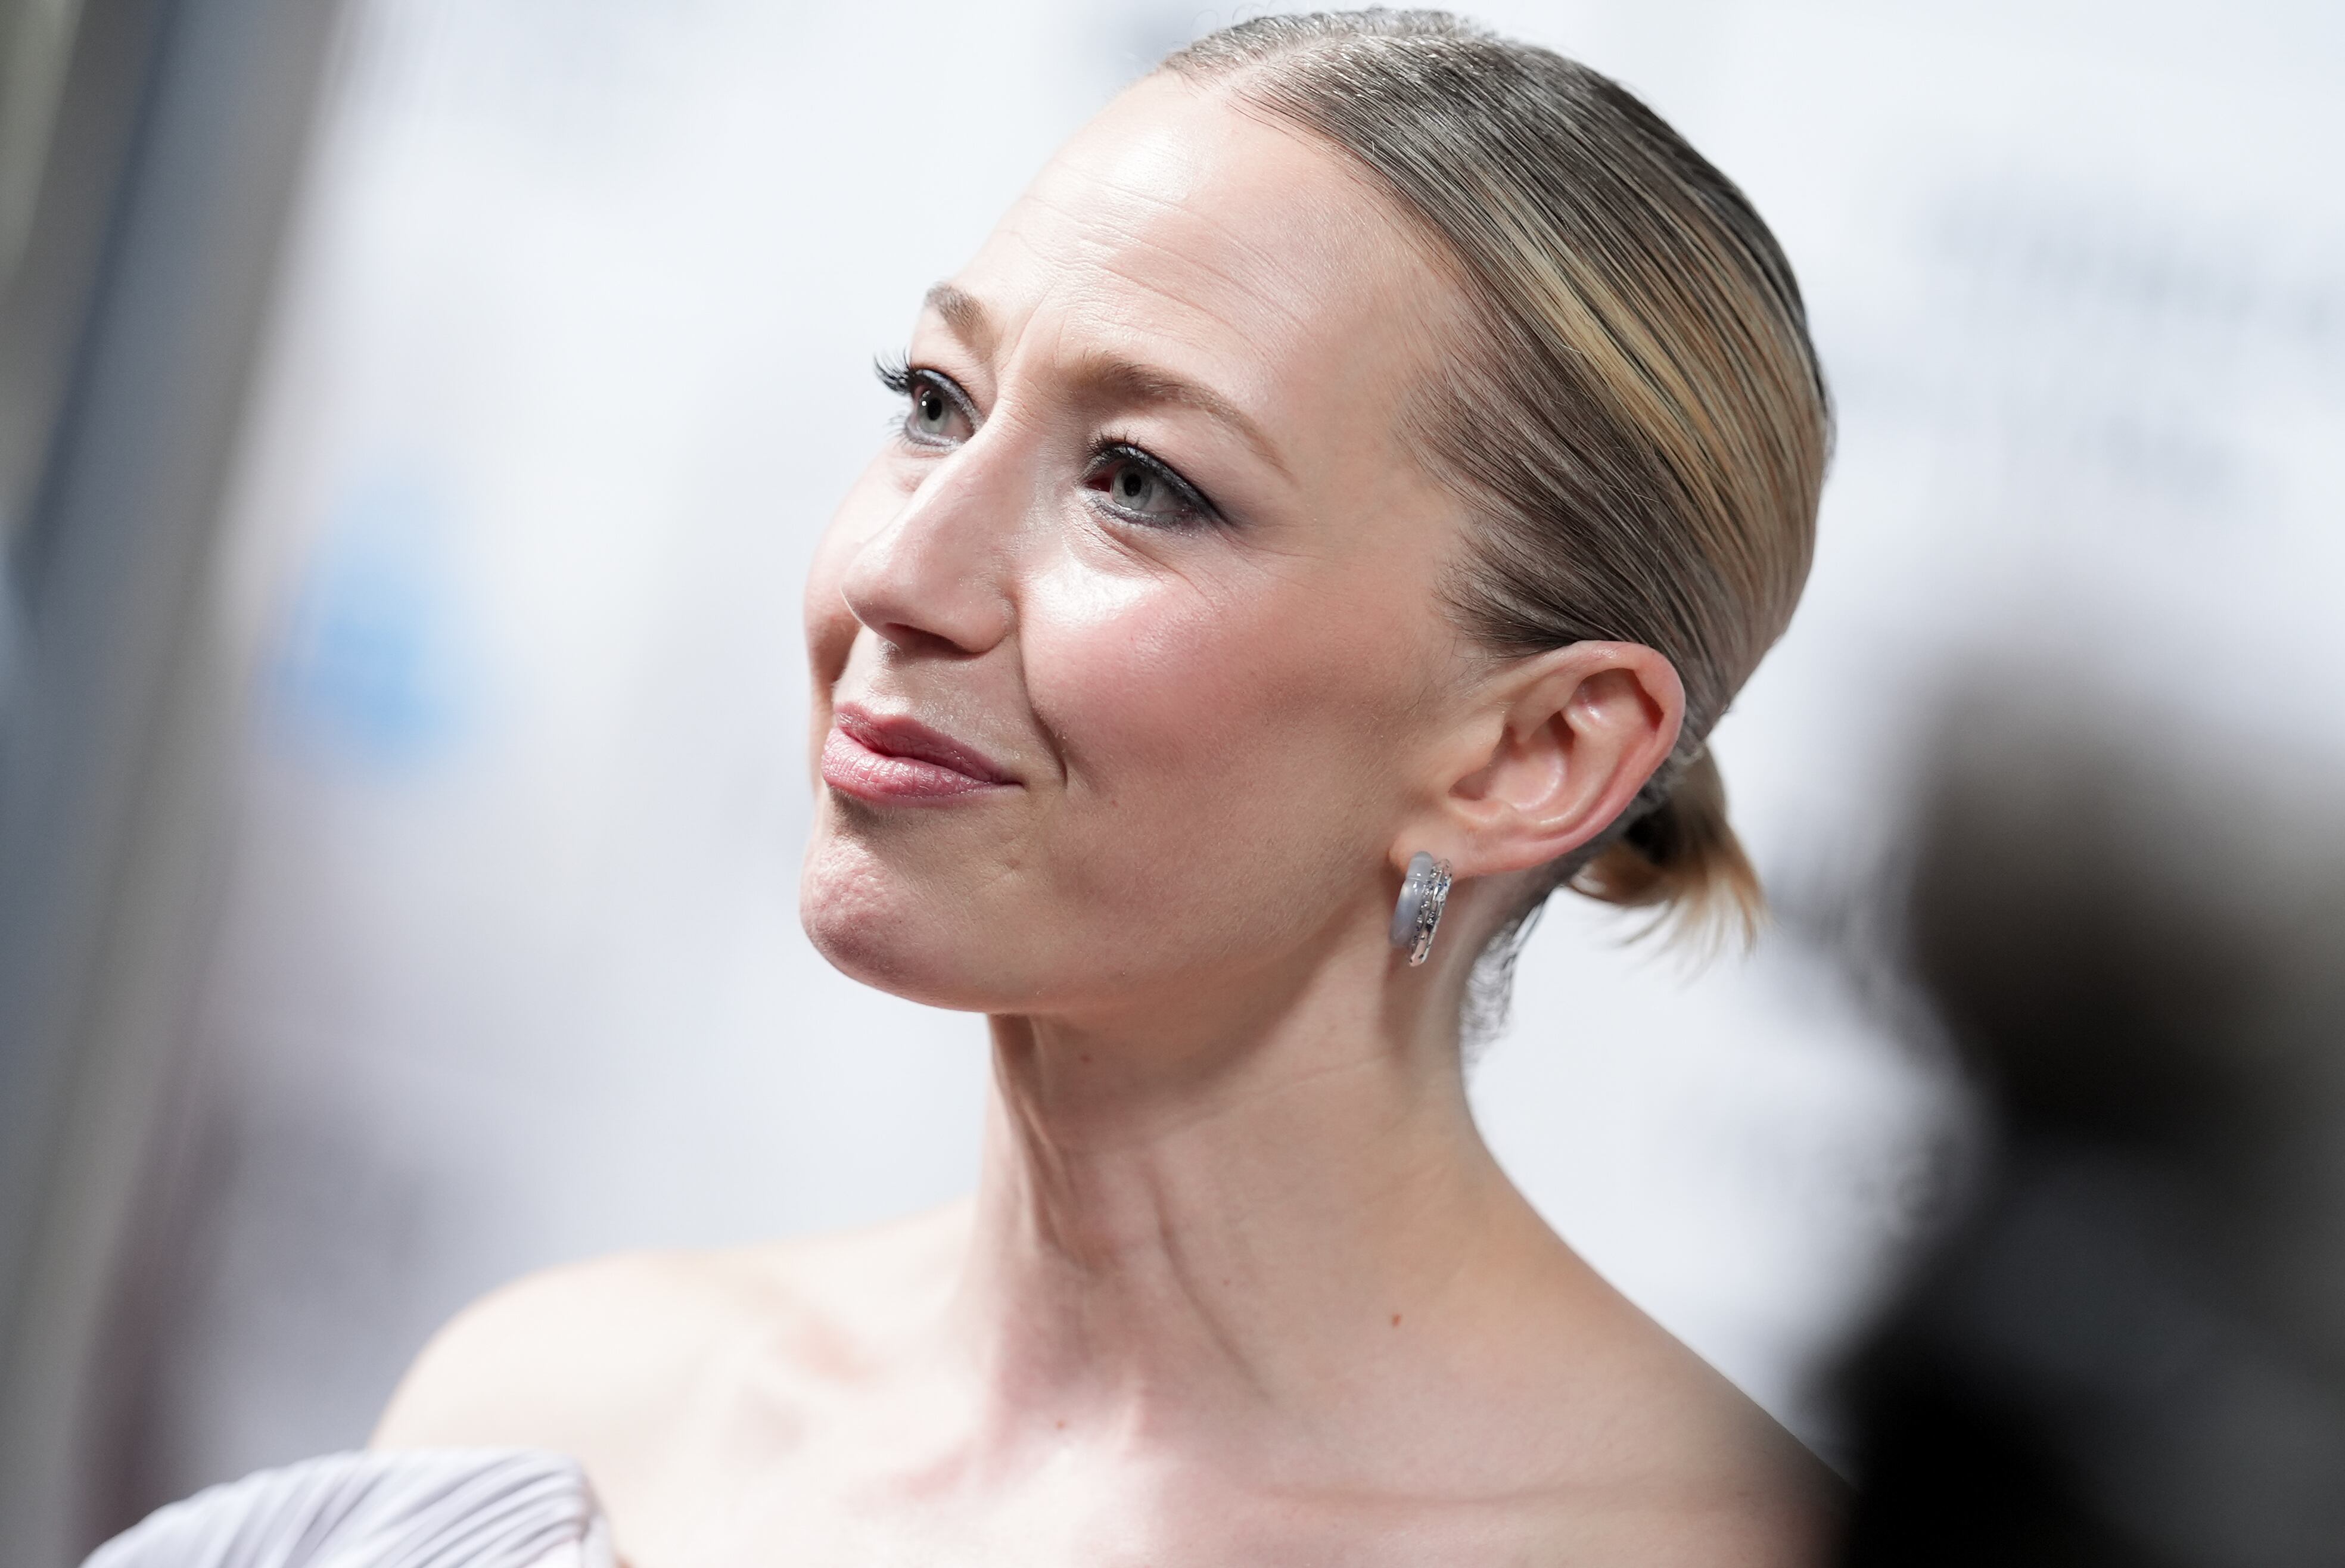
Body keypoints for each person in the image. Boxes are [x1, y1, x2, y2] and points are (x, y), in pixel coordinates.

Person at [372, 12, 1839, 1563]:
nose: (897, 568)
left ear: (1529, 753)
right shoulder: (560, 1432)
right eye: (935, 401)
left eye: (1139, 481)